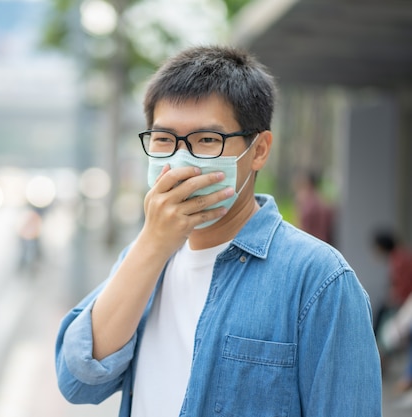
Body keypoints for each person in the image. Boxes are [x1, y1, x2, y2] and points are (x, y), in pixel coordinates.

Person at [55, 45, 381, 416]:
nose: (181, 160)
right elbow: (78, 380)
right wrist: (151, 245)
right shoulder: (143, 256)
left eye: (207, 141)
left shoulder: (320, 279)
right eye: (164, 140)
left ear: (258, 150)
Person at [372, 228, 412, 391]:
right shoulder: (400, 256)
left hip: (405, 305)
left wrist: (392, 301)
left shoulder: (398, 259)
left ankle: (380, 362)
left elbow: (401, 288)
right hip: (405, 303)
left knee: (385, 327)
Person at [293, 170, 336, 245]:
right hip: (324, 244)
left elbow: (302, 229)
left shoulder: (307, 205)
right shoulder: (324, 202)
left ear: (308, 184)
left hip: (310, 245)